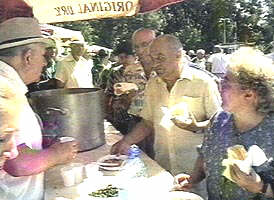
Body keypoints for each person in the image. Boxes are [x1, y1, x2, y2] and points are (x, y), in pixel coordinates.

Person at [111, 34, 222, 176]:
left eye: (160, 59)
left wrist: (197, 127)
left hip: (197, 171)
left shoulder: (203, 82)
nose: (155, 64)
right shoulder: (153, 84)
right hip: (164, 167)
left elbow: (220, 125)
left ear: (178, 55)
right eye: (152, 59)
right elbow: (147, 122)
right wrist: (126, 141)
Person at [175, 47, 274, 199]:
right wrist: (192, 179)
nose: (219, 86)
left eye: (226, 82)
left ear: (248, 94)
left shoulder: (270, 131)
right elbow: (205, 155)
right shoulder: (219, 119)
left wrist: (260, 186)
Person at [0, 17, 78, 200]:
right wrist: (57, 154)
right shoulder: (5, 88)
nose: (45, 63)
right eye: (43, 56)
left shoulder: (12, 84)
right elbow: (17, 163)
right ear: (28, 57)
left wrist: (44, 147)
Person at [105, 41, 147, 135]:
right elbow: (108, 93)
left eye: (126, 57)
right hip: (120, 116)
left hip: (141, 116)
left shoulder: (144, 72)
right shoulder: (115, 73)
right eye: (121, 57)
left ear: (135, 57)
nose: (123, 60)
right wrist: (107, 113)